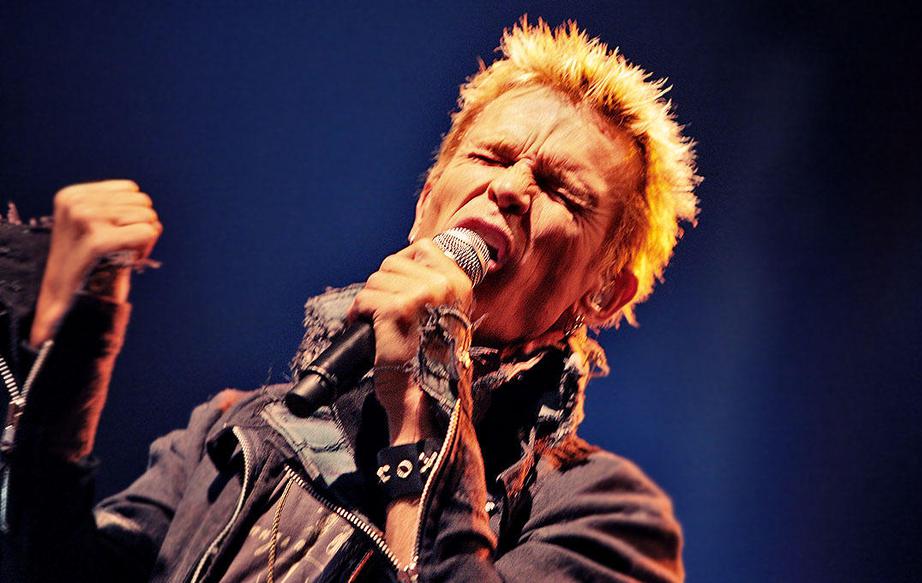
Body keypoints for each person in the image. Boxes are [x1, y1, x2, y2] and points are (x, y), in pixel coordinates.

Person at [0, 19, 699, 582]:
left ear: (604, 292)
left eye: (560, 190)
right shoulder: (240, 428)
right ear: (427, 203)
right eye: (490, 157)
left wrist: (424, 399)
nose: (510, 188)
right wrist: (68, 345)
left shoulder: (603, 514)